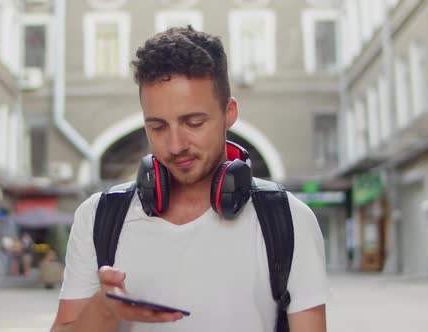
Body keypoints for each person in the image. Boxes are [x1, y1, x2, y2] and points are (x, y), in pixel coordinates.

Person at [51, 26, 328, 332]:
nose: (175, 145)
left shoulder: (288, 220)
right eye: (157, 127)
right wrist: (103, 310)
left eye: (193, 123)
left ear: (229, 112)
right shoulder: (99, 217)